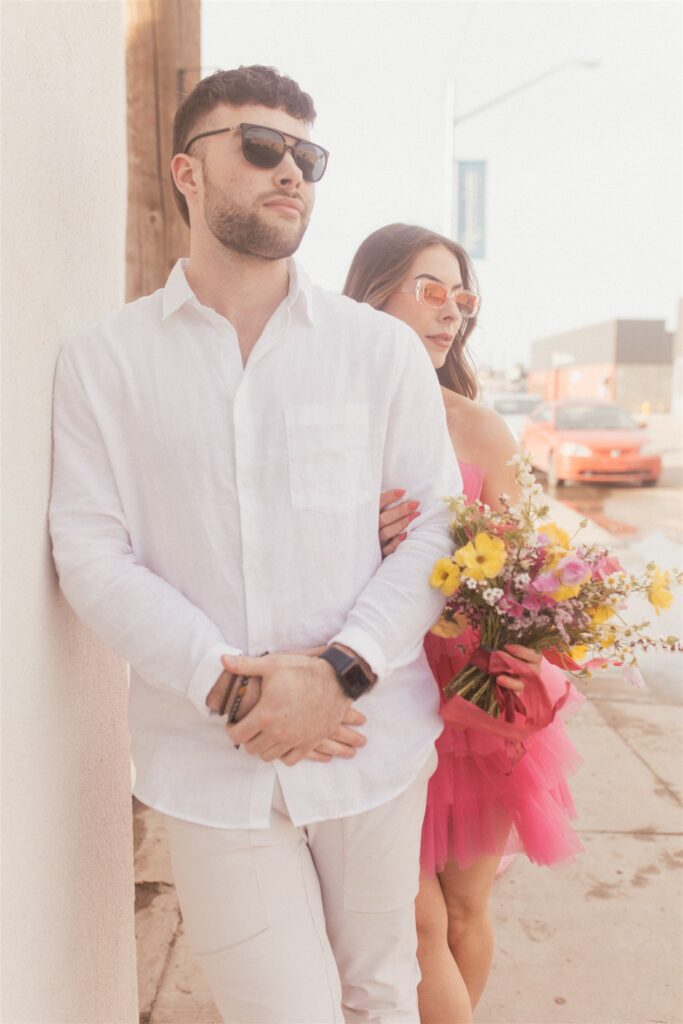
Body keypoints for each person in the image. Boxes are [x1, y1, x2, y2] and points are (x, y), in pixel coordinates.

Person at [48, 68, 463, 1024]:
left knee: (381, 995)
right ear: (187, 172)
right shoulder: (103, 361)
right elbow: (91, 551)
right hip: (209, 758)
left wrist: (340, 672)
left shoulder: (377, 350)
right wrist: (233, 686)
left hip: (370, 739)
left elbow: (436, 524)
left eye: (307, 157)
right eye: (261, 147)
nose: (292, 173)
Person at [343, 224, 584, 1024]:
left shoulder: (480, 429)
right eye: (430, 291)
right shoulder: (333, 414)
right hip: (374, 692)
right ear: (371, 294)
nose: (451, 314)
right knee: (414, 923)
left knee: (466, 911)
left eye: (463, 297)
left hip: (473, 698)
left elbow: (519, 573)